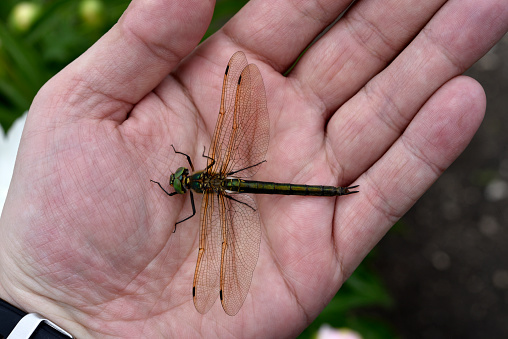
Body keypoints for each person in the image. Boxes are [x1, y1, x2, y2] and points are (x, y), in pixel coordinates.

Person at [1, 0, 506, 337]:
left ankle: (333, 191)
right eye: (182, 184)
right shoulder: (201, 175)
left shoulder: (199, 190)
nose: (180, 184)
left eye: (181, 182)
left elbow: (188, 199)